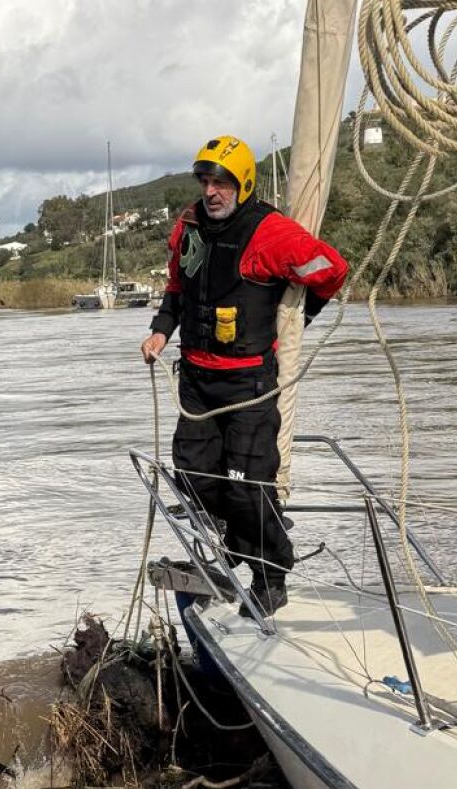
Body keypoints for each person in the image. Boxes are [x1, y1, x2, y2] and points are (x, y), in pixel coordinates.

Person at [141, 135, 348, 617]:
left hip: (249, 385)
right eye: (205, 181)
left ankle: (272, 575)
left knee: (246, 487)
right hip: (195, 379)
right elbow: (176, 288)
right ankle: (234, 546)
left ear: (244, 184)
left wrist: (297, 319)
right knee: (193, 480)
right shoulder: (187, 227)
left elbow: (332, 269)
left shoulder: (271, 233)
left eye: (222, 183)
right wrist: (159, 333)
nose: (211, 191)